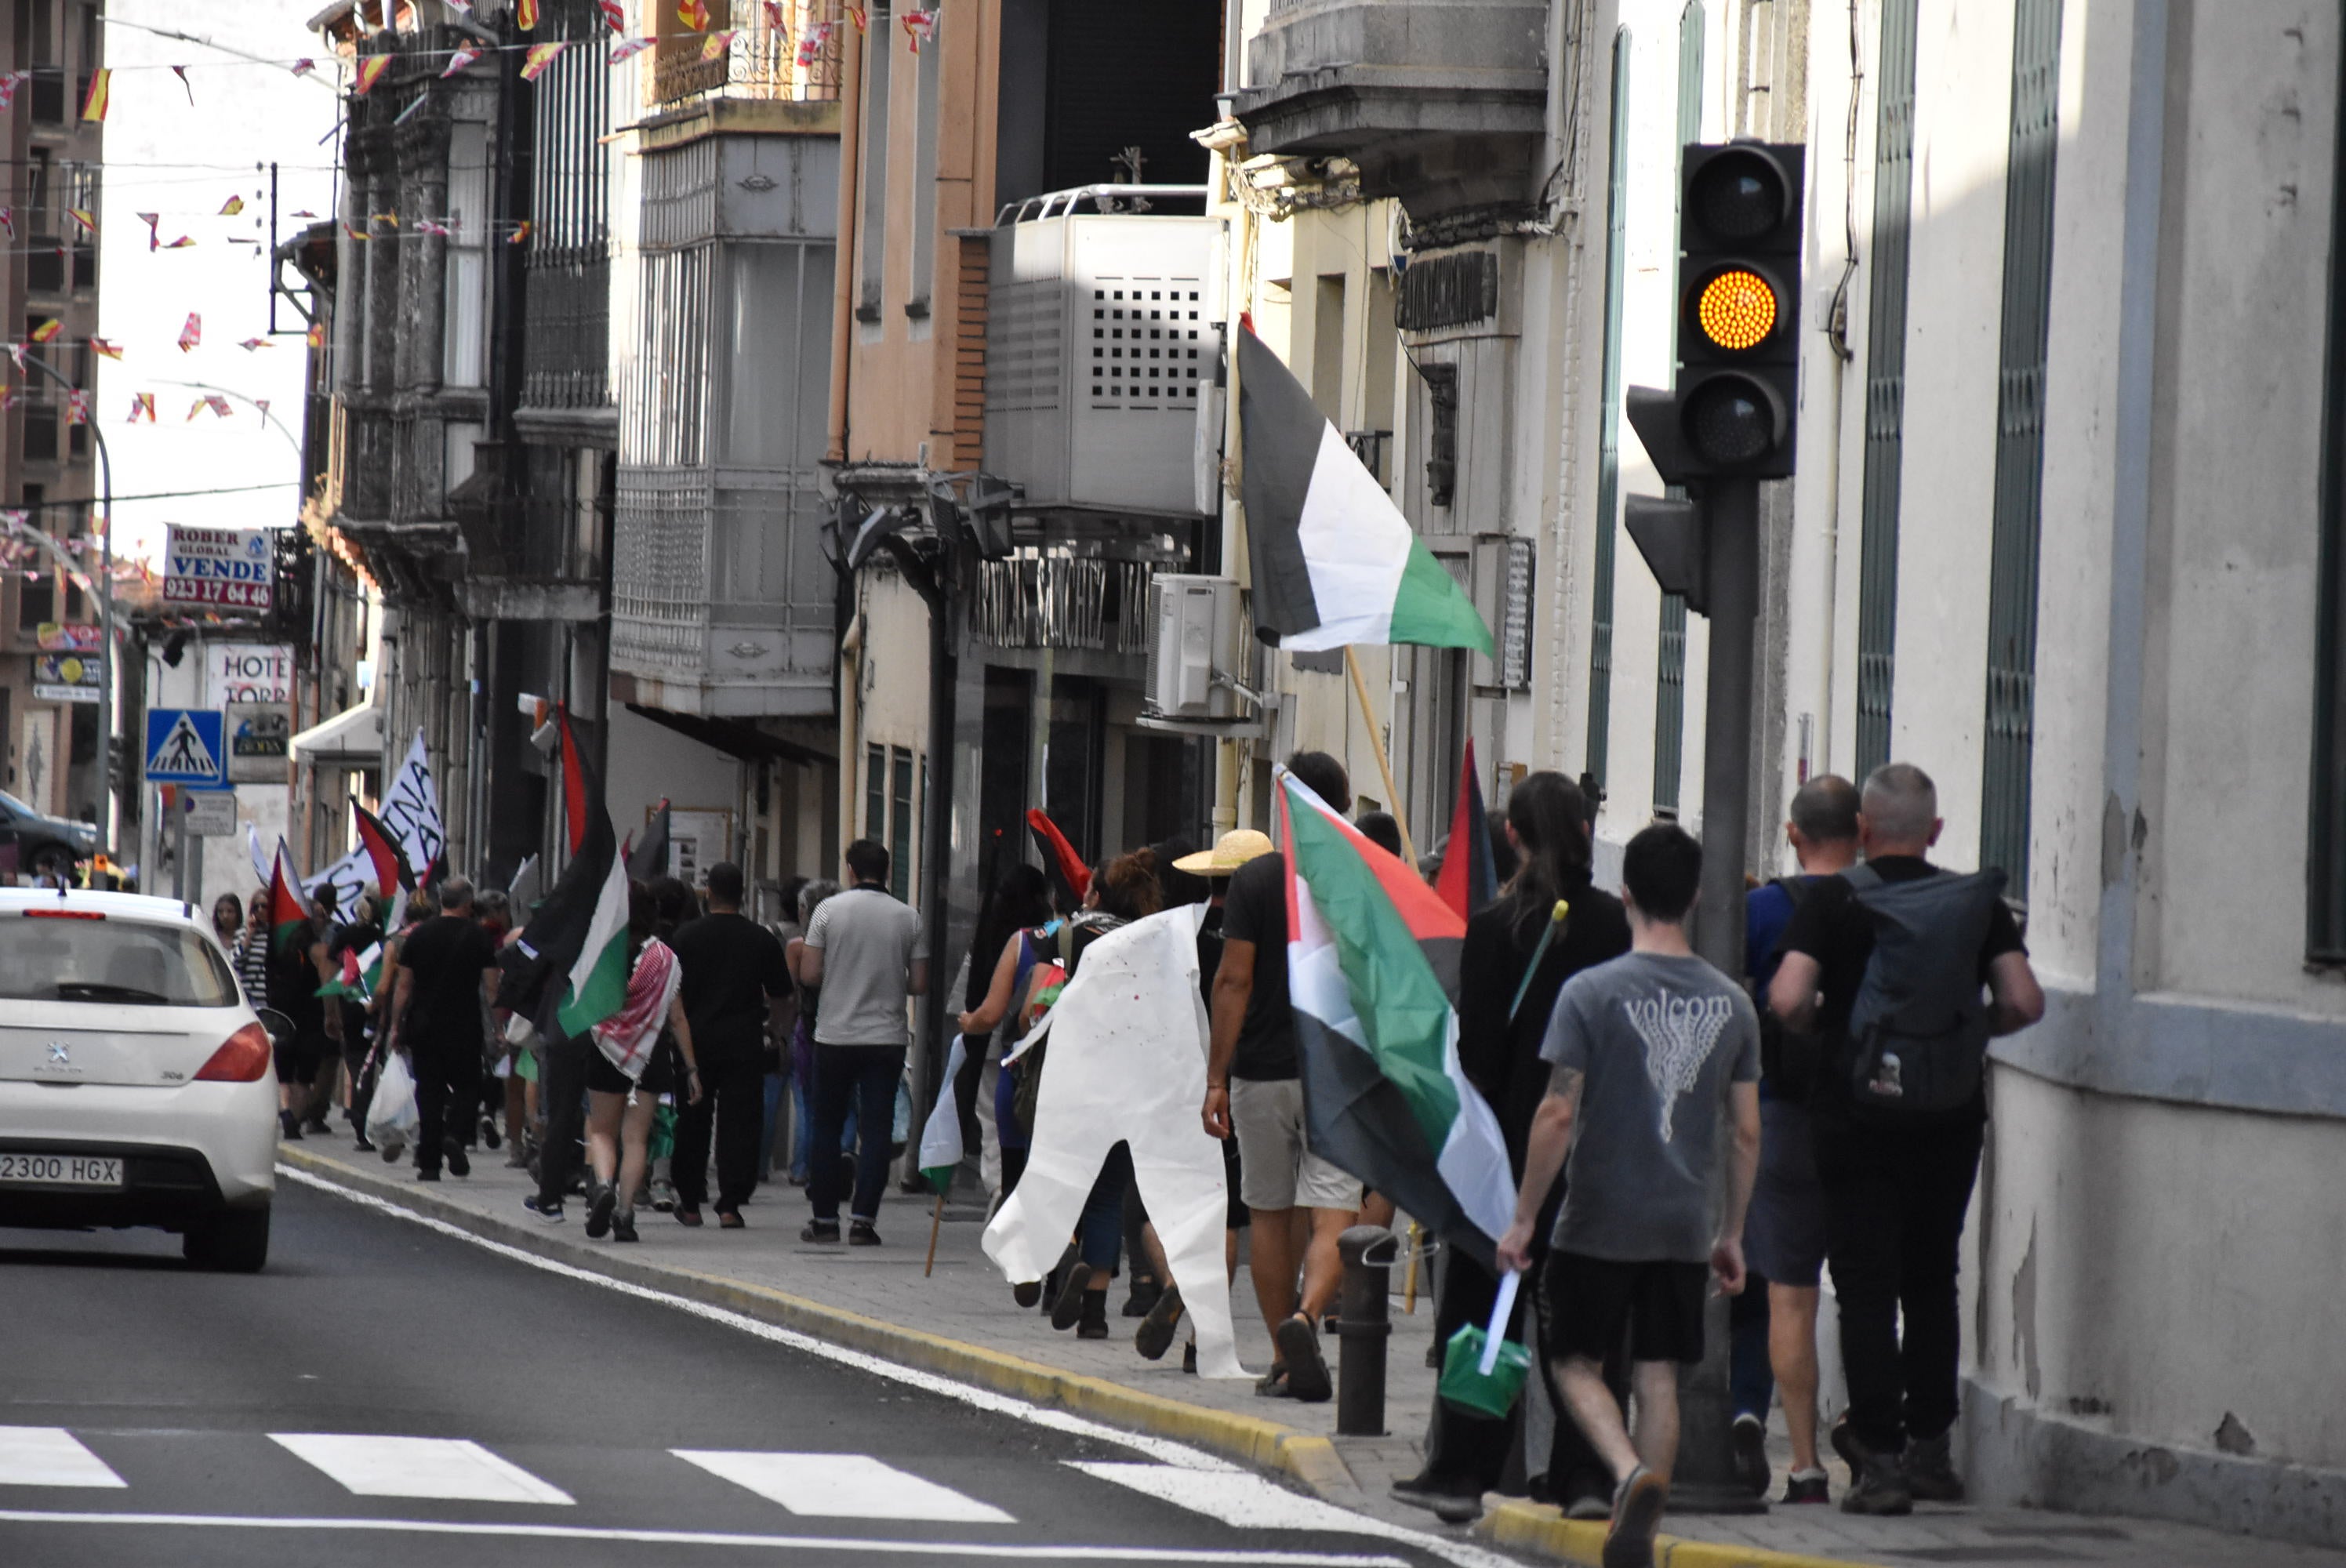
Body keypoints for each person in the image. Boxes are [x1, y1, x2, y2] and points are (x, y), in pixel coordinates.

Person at [1768, 763, 2044, 1515]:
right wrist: (1968, 1033)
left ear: (1862, 830)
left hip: (1854, 1117)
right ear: (1936, 831)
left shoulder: (1834, 900)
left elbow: (1787, 998)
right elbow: (2024, 1001)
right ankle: (1931, 1453)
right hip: (1948, 1119)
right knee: (1931, 1279)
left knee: (1864, 1285)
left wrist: (1826, 1027)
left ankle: (1881, 1463)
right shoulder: (1974, 904)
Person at [1498, 822, 1762, 1568]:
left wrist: (1524, 1218)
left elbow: (1557, 1112)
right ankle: (1640, 1518)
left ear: (1626, 896)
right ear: (1696, 897)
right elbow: (1746, 1131)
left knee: (1574, 1361)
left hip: (1598, 1216)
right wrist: (1732, 1231)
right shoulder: (1732, 1004)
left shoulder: (1590, 993)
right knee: (1659, 1375)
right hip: (1684, 1220)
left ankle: (1625, 1470)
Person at [1396, 771, 1632, 1521]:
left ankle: (1464, 1469)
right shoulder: (1614, 925)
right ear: (1586, 832)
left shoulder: (1495, 928)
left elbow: (1481, 1058)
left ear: (1512, 837)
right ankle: (1584, 1475)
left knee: (1482, 1316)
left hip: (1504, 1154)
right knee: (1585, 1327)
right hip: (1595, 1153)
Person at [1200, 750, 1362, 1404]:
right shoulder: (1361, 877)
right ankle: (1308, 1316)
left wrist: (1216, 1078)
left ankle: (1282, 1356)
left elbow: (1233, 980)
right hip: (1336, 1071)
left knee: (1266, 1215)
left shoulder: (1256, 881)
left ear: (1284, 803)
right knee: (1334, 1211)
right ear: (1343, 808)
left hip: (1262, 1072)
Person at [1731, 774, 1861, 1505]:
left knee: (1790, 1295)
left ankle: (1805, 1465)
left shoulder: (1759, 912)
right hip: (1873, 1116)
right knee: (1874, 1285)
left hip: (1781, 1114)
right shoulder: (1880, 905)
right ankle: (1869, 1433)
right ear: (1862, 833)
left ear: (1792, 835)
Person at [797, 840, 928, 1245]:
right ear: (887, 871)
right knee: (877, 1130)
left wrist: (842, 976)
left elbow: (809, 975)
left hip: (834, 1035)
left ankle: (824, 1220)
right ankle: (863, 1222)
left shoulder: (826, 911)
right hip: (885, 1038)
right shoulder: (909, 917)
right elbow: (919, 983)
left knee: (826, 1126)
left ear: (850, 870)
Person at [668, 862, 793, 1228]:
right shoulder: (760, 939)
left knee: (692, 1120)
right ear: (742, 896)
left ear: (709, 893)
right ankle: (730, 1204)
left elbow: (671, 993)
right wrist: (776, 1030)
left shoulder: (685, 937)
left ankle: (690, 1202)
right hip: (743, 1042)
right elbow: (783, 996)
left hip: (694, 1043)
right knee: (740, 1123)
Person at [583, 881, 705, 1242]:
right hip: (650, 1055)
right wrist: (692, 1068)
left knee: (602, 1132)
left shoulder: (602, 952)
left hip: (606, 1051)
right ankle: (625, 1214)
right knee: (636, 1139)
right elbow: (677, 1017)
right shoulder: (663, 959)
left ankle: (603, 1185)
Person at [388, 877, 503, 1181]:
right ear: (468, 903)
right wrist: (499, 1028)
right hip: (465, 1025)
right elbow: (492, 989)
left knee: (429, 1092)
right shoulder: (479, 937)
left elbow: (404, 986)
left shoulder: (419, 935)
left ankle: (429, 1163)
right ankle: (455, 1133)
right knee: (468, 1087)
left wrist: (396, 1027)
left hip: (425, 1025)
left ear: (441, 901)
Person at [958, 863, 1053, 1200]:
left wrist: (968, 1023)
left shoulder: (994, 941)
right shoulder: (1053, 937)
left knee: (993, 1122)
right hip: (1042, 1050)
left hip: (995, 1047)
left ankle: (1000, 1191)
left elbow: (970, 1003)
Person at [783, 879, 841, 1185]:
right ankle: (843, 1158)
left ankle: (803, 1167)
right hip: (844, 1025)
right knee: (846, 1102)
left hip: (809, 1027)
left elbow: (789, 993)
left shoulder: (798, 947)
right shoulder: (845, 944)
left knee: (807, 1101)